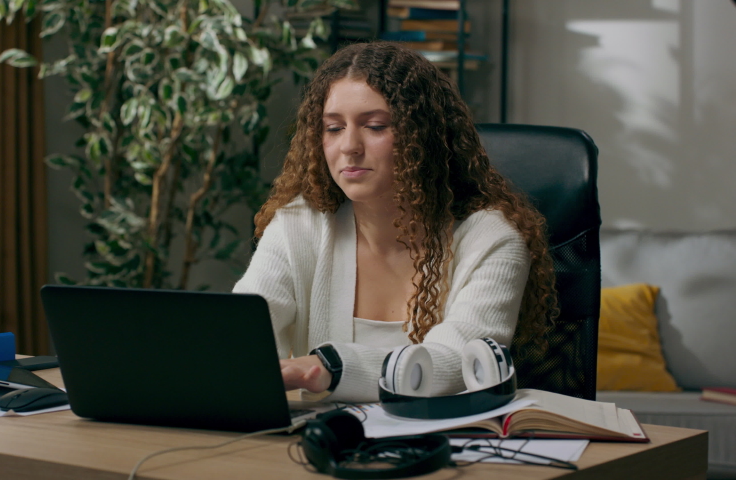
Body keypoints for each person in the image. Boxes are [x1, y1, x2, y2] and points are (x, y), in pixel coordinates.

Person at [233, 42, 557, 403]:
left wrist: (330, 368)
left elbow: (458, 363)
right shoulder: (298, 225)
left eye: (374, 126)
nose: (349, 146)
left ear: (423, 136)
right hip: (322, 446)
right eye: (334, 128)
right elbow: (245, 328)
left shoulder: (490, 238)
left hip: (447, 450)